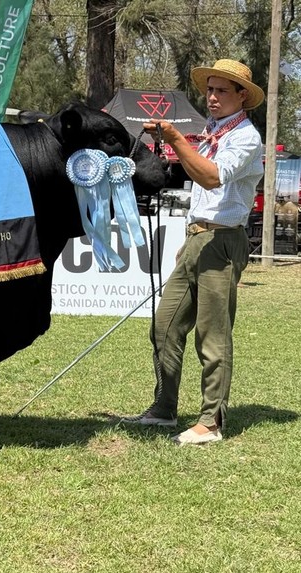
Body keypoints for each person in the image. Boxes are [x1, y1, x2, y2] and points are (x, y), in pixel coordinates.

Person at [123, 59, 264, 446]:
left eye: (222, 90)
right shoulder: (212, 132)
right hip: (198, 238)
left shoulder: (247, 138)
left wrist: (175, 138)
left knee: (212, 335)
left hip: (222, 242)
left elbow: (211, 177)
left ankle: (211, 422)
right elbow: (195, 181)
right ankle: (164, 408)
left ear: (242, 97)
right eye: (210, 89)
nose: (213, 96)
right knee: (164, 326)